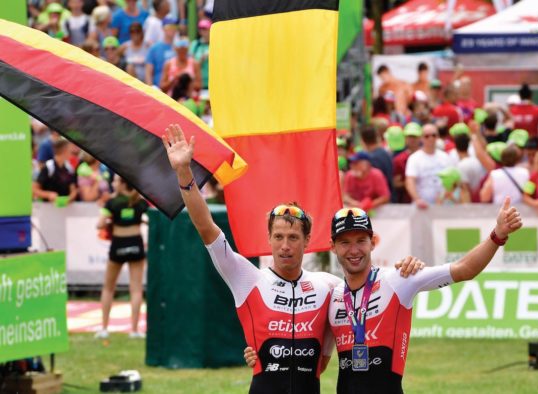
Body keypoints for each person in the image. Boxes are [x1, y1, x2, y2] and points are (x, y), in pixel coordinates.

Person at [161, 124, 422, 394]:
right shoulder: (246, 278)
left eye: (293, 238)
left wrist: (407, 266)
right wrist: (183, 172)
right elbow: (207, 229)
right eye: (279, 237)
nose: (285, 246)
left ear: (307, 241)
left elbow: (368, 289)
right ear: (269, 238)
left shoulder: (329, 287)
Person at [245, 202, 523, 393]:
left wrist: (497, 235)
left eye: (360, 241)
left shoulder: (399, 279)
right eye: (345, 242)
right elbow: (317, 361)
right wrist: (260, 355)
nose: (353, 250)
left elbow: (465, 269)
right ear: (332, 247)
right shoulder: (333, 294)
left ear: (372, 242)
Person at [94, 175, 148, 339]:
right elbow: (149, 218)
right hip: (135, 243)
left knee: (109, 288)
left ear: (123, 183)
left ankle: (104, 328)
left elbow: (99, 224)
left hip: (118, 244)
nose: (113, 183)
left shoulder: (112, 203)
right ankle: (134, 330)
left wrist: (110, 220)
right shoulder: (140, 201)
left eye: (115, 181)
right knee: (136, 289)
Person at [405, 124, 453, 208]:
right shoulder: (414, 158)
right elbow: (410, 181)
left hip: (442, 205)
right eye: (427, 136)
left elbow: (452, 180)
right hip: (422, 206)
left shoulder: (445, 157)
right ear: (421, 138)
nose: (431, 138)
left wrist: (445, 196)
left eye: (433, 135)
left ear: (437, 137)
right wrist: (417, 199)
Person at [33, 139, 78, 204]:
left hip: (65, 208)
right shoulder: (49, 167)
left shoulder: (69, 168)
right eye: (70, 150)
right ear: (64, 151)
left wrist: (69, 198)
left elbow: (73, 189)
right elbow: (34, 189)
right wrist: (48, 194)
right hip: (48, 208)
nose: (73, 151)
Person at [144, 18, 177, 87]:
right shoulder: (154, 48)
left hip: (175, 89)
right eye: (170, 27)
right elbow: (148, 71)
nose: (173, 29)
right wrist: (150, 90)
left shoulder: (179, 48)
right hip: (159, 88)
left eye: (175, 27)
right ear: (163, 28)